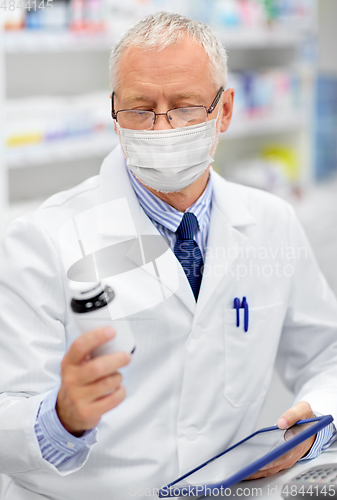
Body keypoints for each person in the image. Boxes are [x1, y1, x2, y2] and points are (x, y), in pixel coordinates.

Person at [0, 11, 337, 500]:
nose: (161, 128)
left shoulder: (271, 224)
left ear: (224, 111)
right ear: (114, 112)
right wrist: (61, 418)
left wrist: (314, 423)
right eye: (140, 108)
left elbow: (328, 353)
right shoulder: (40, 240)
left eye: (183, 106)